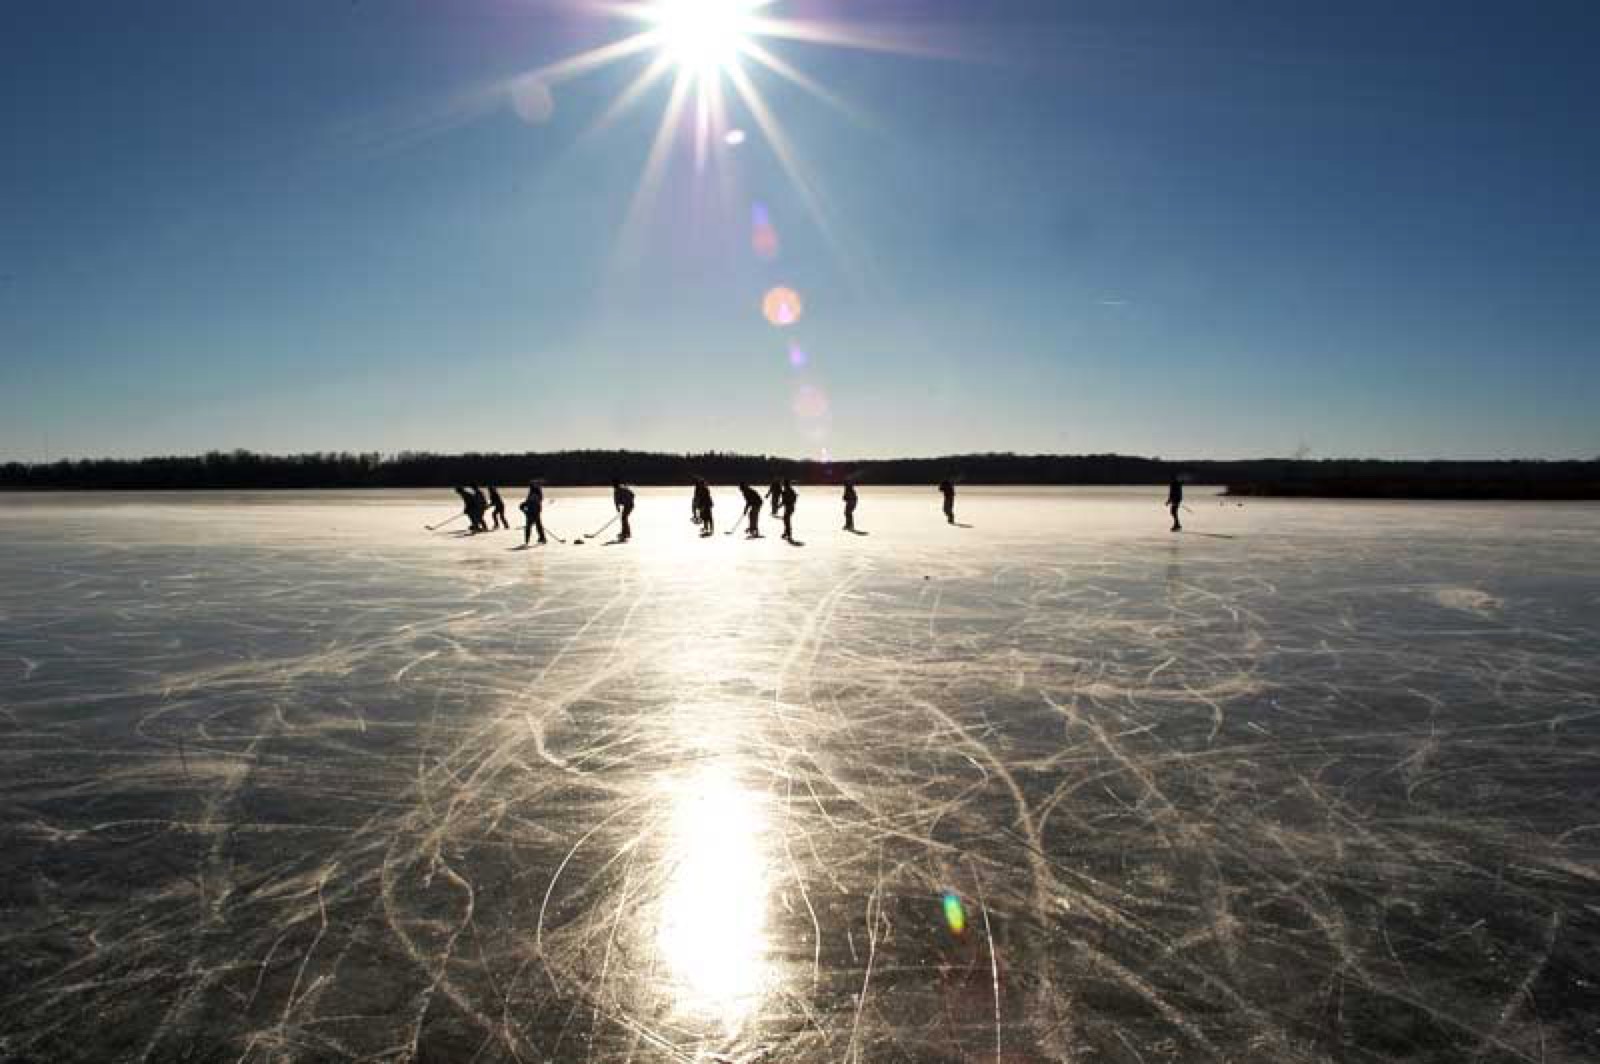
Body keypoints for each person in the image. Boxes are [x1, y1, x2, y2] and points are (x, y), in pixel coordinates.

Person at [519, 481, 546, 546]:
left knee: (530, 526)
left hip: (533, 513)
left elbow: (532, 503)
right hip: (532, 512)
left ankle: (528, 541)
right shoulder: (536, 494)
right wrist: (524, 509)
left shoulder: (535, 494)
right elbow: (527, 503)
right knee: (537, 525)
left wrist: (525, 509)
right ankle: (542, 538)